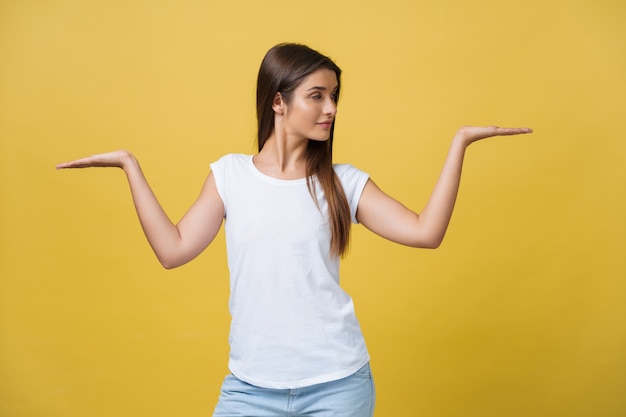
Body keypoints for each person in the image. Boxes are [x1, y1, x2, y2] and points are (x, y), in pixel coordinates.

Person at [56, 43, 532, 417]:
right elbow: (173, 249)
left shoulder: (343, 183)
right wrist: (129, 166)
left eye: (334, 97)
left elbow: (426, 232)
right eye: (318, 95)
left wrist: (460, 144)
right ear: (279, 102)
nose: (331, 108)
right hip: (249, 389)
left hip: (338, 387)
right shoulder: (230, 175)